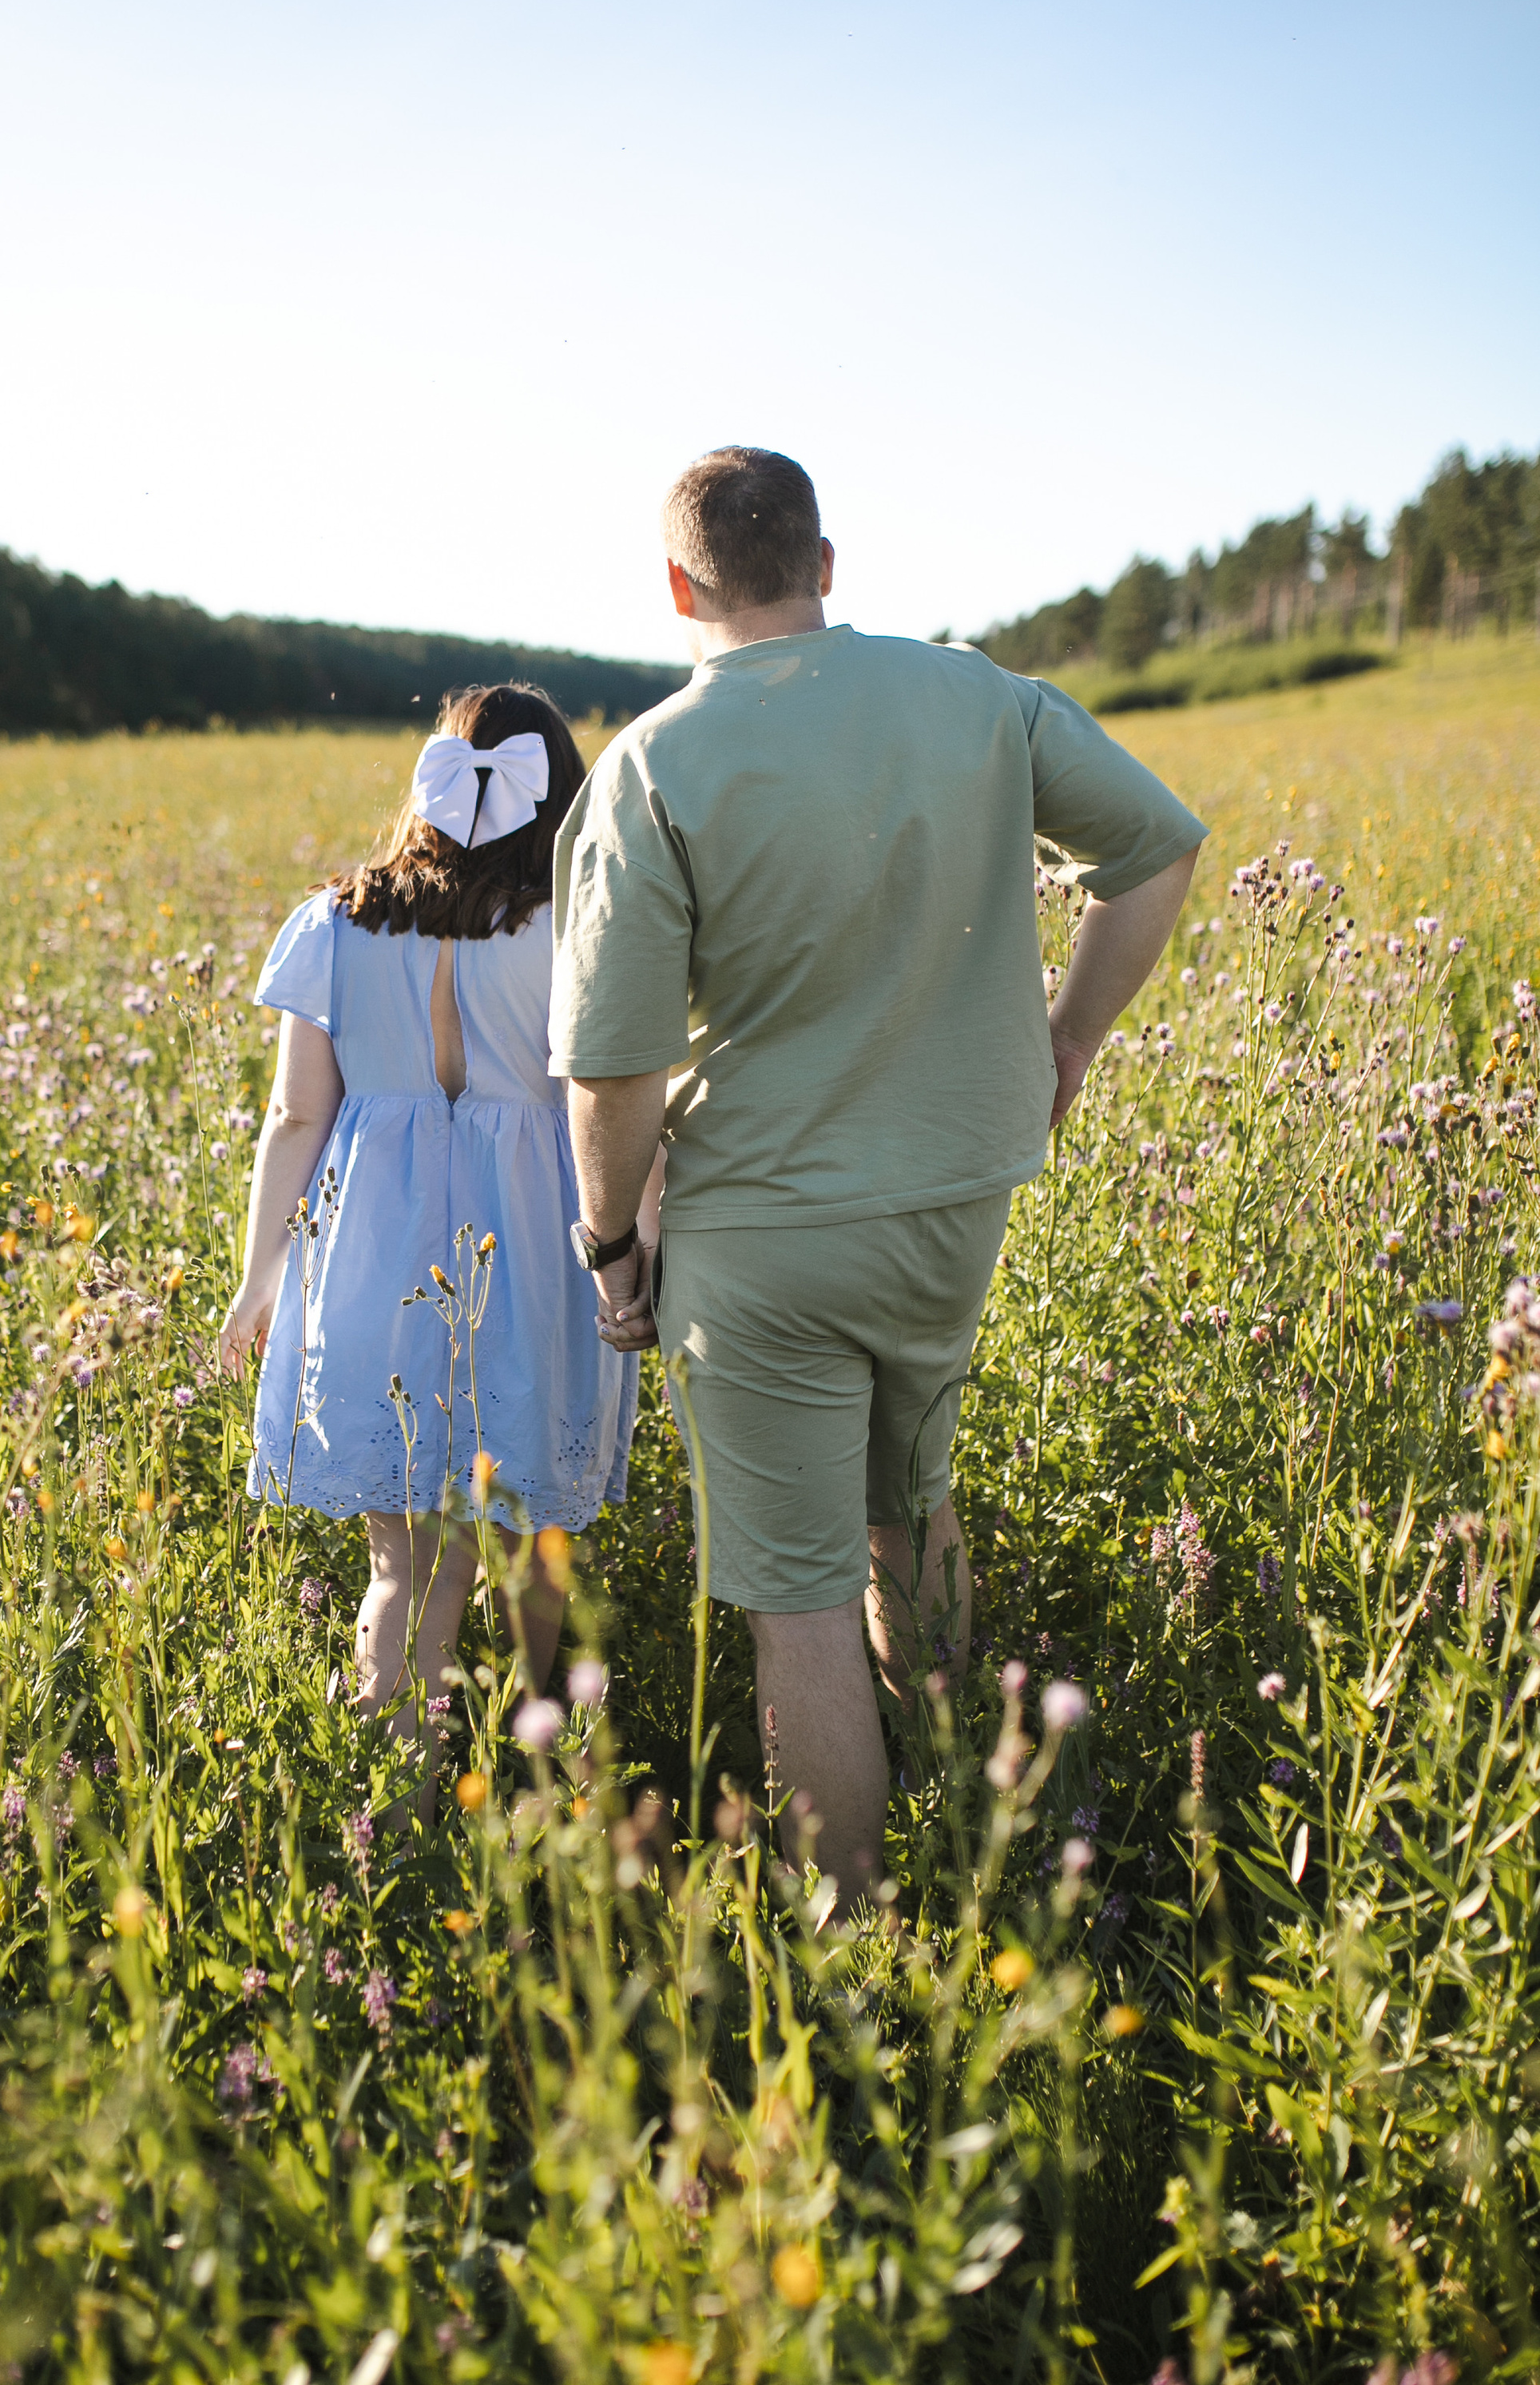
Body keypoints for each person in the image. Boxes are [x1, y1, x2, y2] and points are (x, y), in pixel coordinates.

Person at [550, 445, 1207, 1914]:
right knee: (913, 1511)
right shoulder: (981, 698)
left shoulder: (654, 765)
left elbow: (609, 1074)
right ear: (827, 564)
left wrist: (610, 1244)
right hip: (954, 1202)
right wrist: (1068, 1041)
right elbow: (1157, 854)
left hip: (765, 1230)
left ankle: (857, 1939)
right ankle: (988, 1842)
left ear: (677, 585)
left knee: (796, 1594)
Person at [220, 682, 640, 1743]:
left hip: (373, 1245)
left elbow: (293, 1120)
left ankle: (393, 1784)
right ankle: (534, 1742)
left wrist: (259, 1283)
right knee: (529, 1524)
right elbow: (614, 1101)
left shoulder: (337, 920)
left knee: (401, 1558)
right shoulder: (573, 928)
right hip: (535, 1244)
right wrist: (636, 1251)